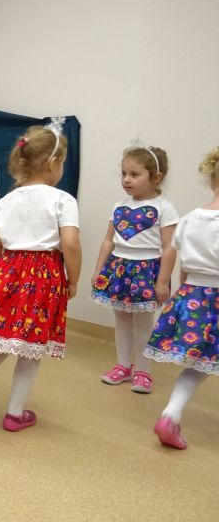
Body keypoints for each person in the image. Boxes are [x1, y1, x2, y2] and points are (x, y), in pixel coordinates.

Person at [0, 122, 81, 432]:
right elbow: (71, 244)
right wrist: (72, 279)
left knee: (4, 336)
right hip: (43, 277)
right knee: (31, 345)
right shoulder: (62, 200)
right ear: (53, 163)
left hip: (7, 271)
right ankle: (14, 413)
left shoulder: (6, 200)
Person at [144, 147, 219, 449]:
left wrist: (185, 295)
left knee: (199, 365)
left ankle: (171, 414)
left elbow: (184, 264)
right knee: (202, 365)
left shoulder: (189, 220)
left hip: (194, 297)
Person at [90, 143, 177, 394]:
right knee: (122, 320)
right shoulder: (119, 206)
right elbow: (109, 240)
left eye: (135, 174)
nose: (127, 179)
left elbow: (169, 247)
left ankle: (143, 371)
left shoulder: (164, 208)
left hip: (146, 272)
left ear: (155, 177)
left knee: (143, 324)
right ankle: (122, 366)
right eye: (124, 174)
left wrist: (163, 281)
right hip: (118, 269)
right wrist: (98, 270)